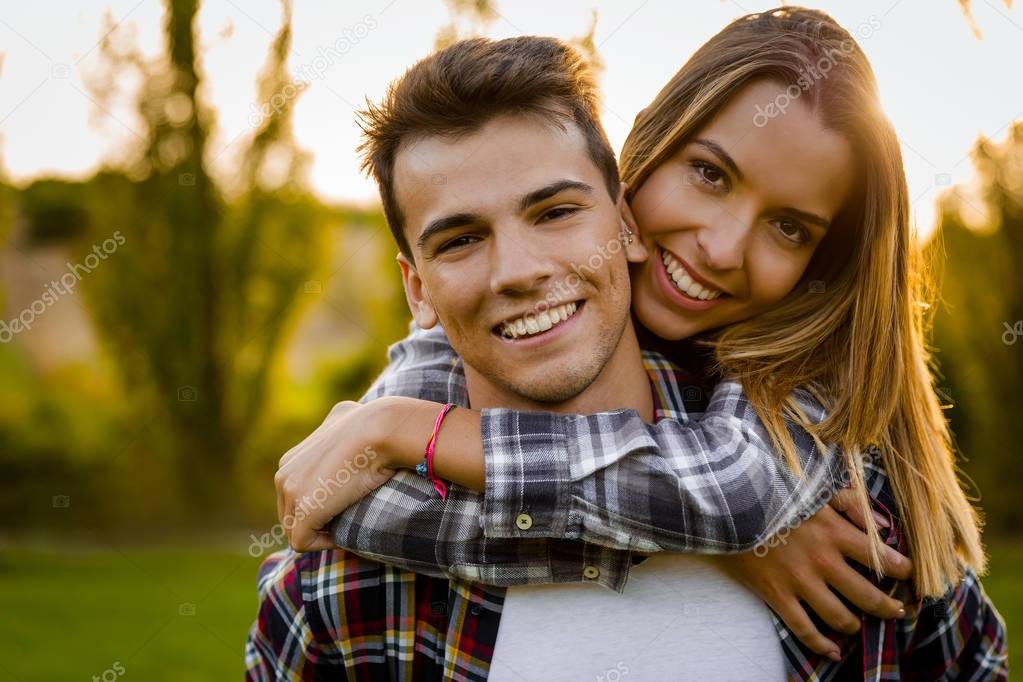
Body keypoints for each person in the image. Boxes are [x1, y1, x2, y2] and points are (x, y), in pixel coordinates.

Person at [260, 9, 1007, 680]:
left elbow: (736, 494)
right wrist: (695, 539)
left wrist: (737, 531)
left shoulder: (836, 493)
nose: (718, 249)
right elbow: (348, 493)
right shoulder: (340, 591)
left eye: (789, 227)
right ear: (638, 166)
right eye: (709, 174)